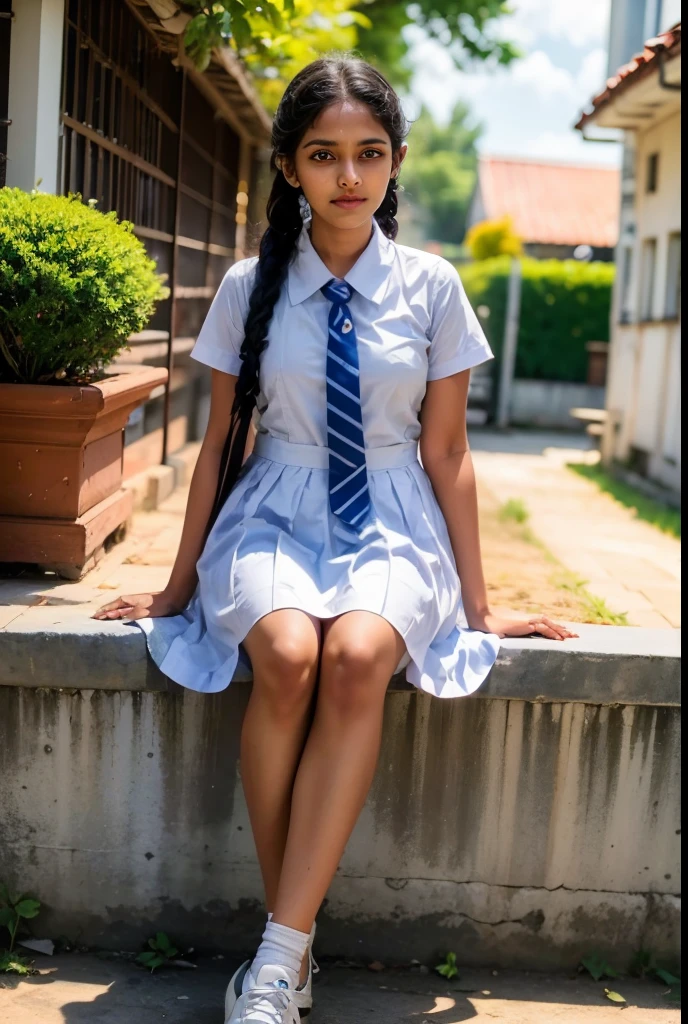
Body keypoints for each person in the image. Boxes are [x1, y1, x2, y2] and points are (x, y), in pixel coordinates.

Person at [94, 54, 578, 1024]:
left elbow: (448, 455)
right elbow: (219, 446)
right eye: (323, 156)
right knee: (284, 654)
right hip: (273, 507)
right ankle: (291, 945)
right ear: (287, 167)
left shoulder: (434, 289)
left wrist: (481, 608)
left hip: (394, 520)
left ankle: (275, 956)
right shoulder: (246, 286)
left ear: (396, 161)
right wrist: (174, 586)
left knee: (356, 656)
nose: (347, 178)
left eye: (367, 155)